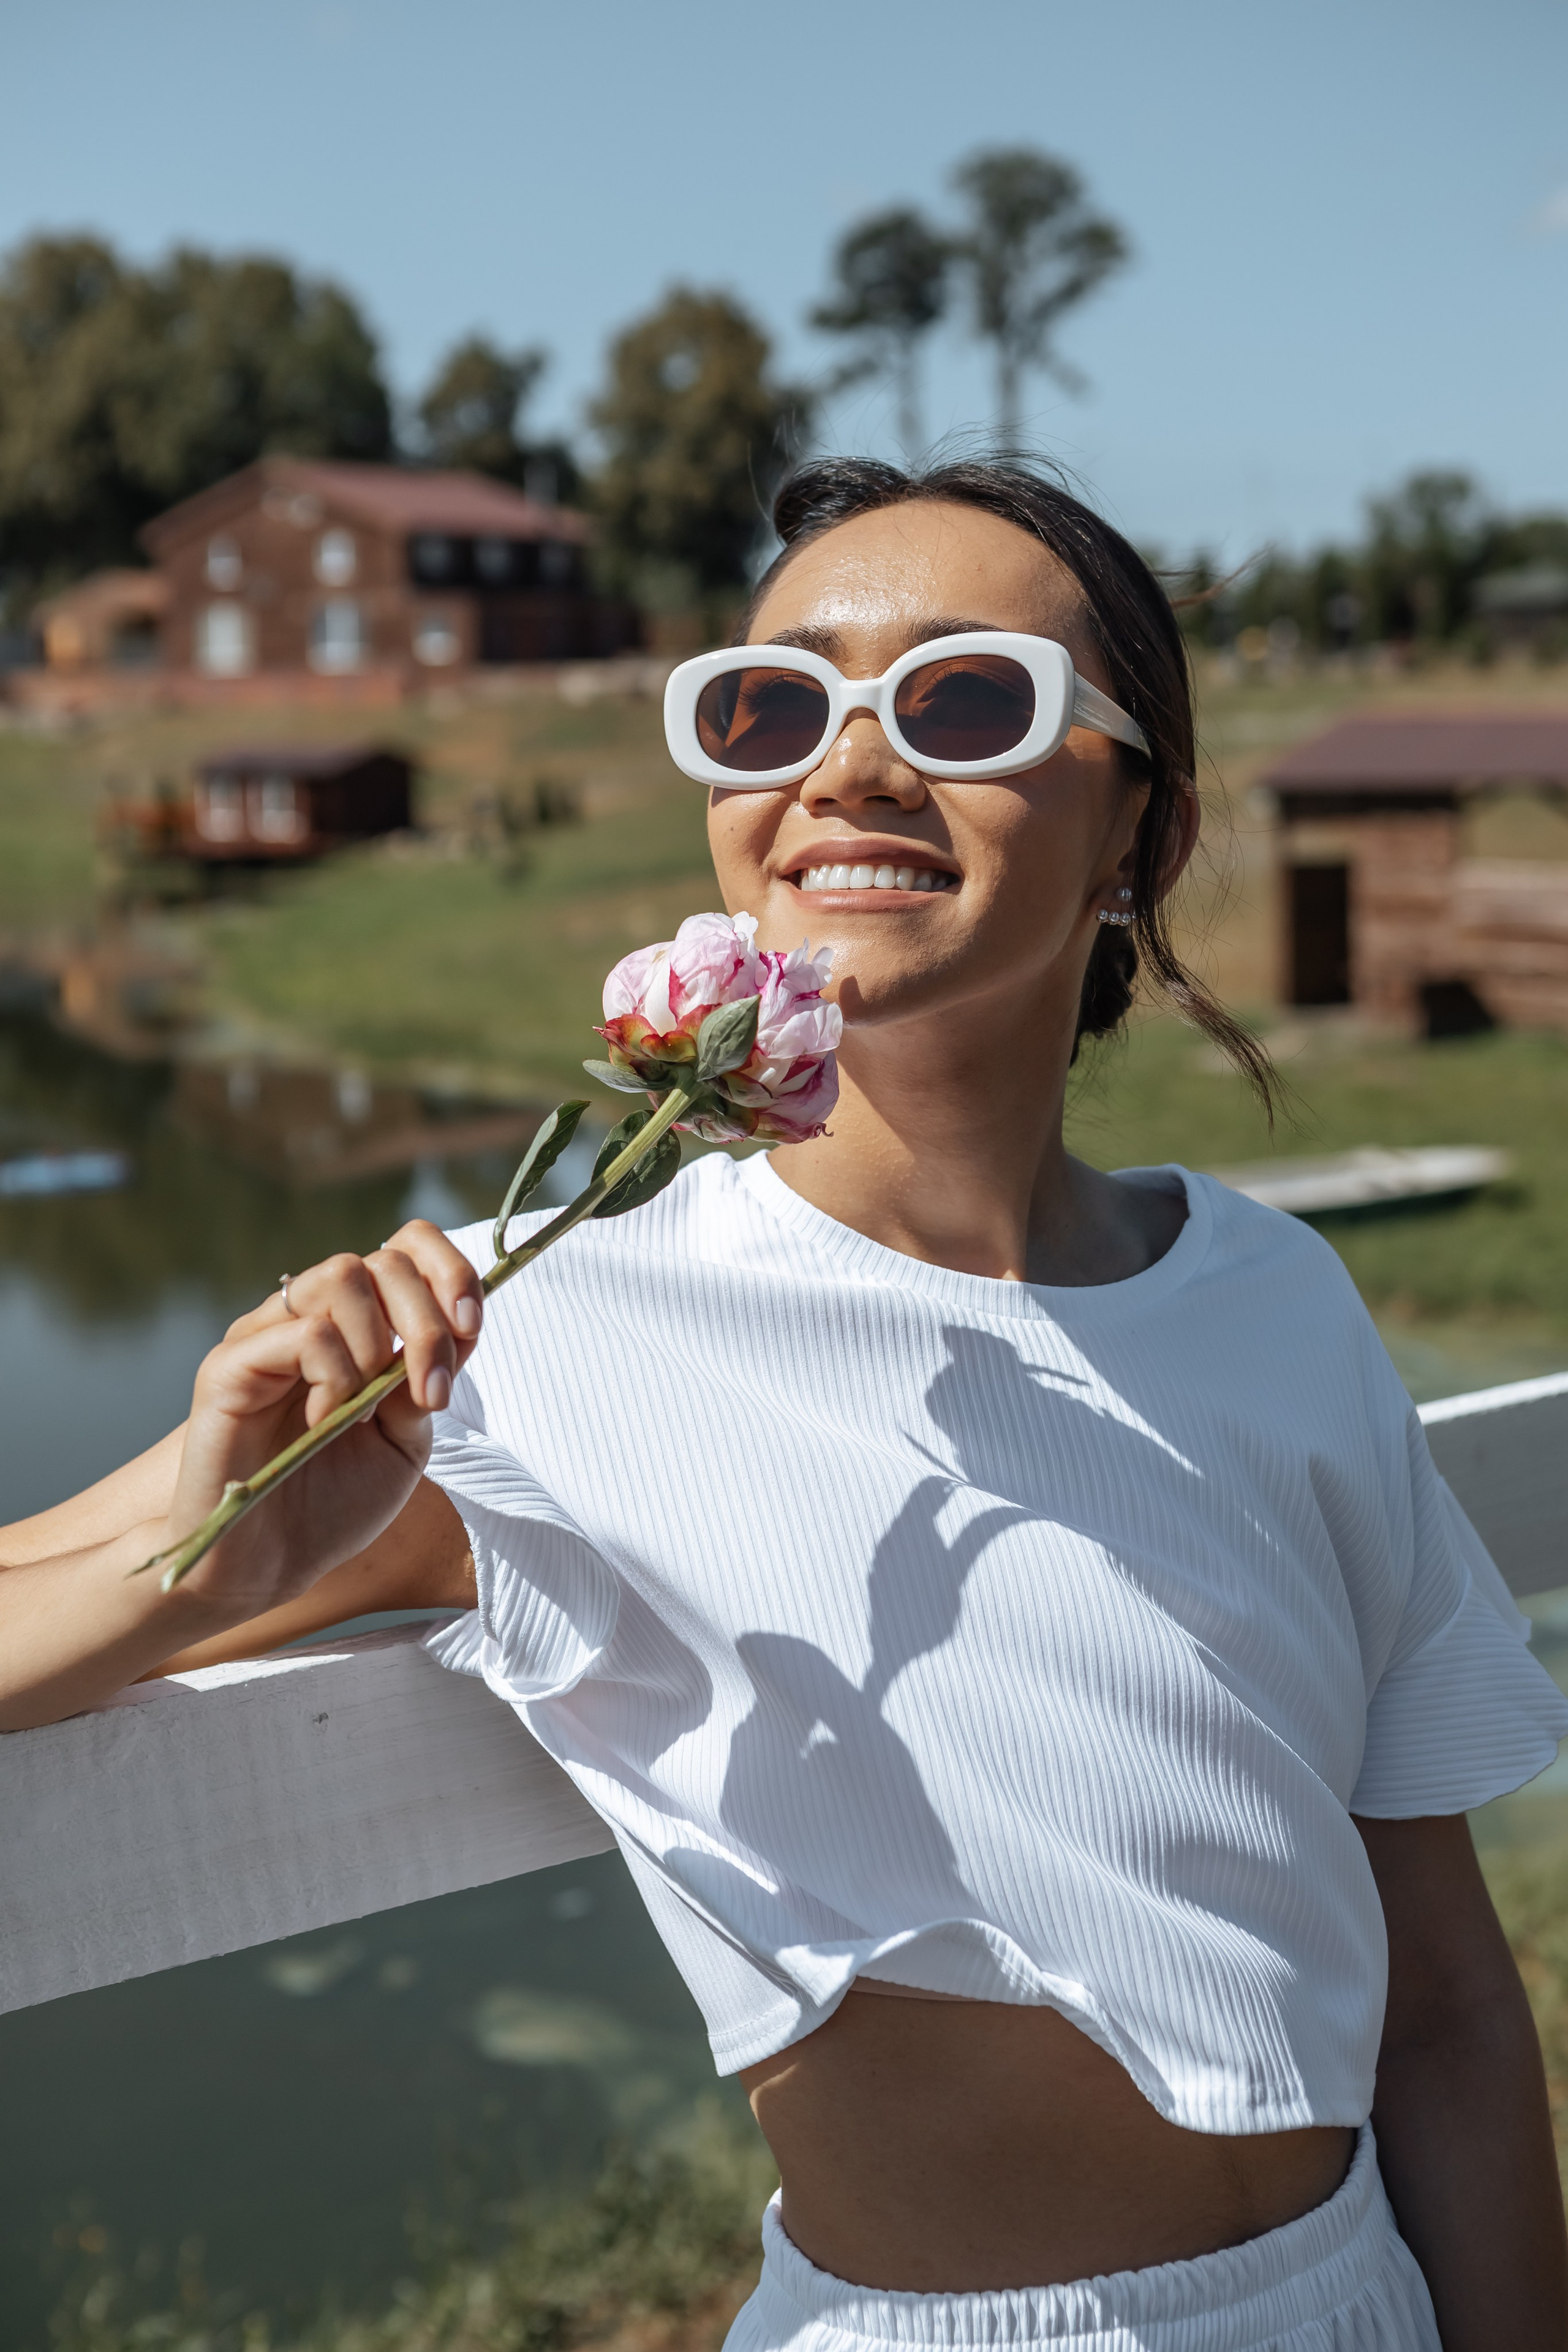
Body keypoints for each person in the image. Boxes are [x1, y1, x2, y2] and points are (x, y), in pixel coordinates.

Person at [4, 456, 1566, 2352]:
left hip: (1361, 2295)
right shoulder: (534, 1330)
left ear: (1139, 836)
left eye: (965, 698)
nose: (849, 765)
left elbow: (1455, 2002)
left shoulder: (1280, 1302)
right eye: (769, 707)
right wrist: (211, 1550)